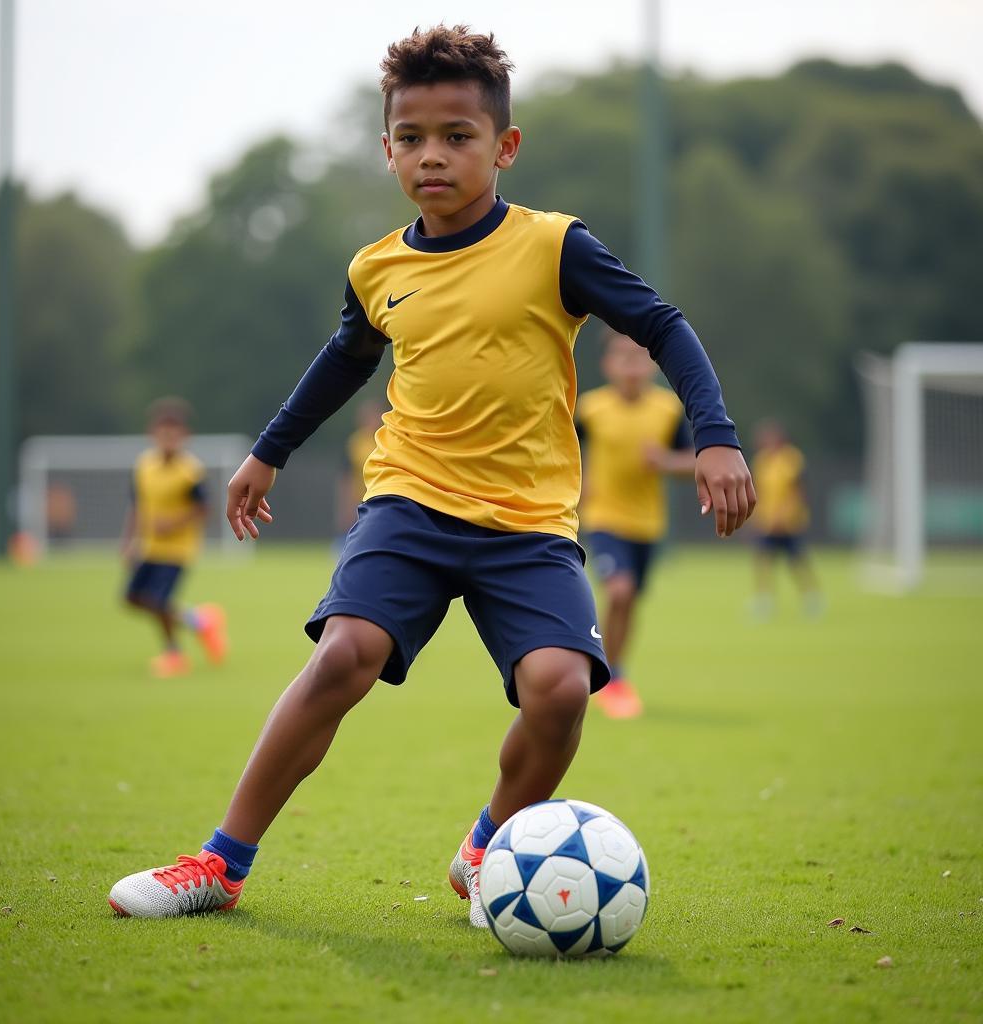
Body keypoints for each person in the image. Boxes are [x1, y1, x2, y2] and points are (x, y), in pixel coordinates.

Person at [108, 25, 755, 922]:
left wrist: (715, 435)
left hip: (529, 523)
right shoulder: (377, 267)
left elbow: (665, 326)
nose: (433, 156)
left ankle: (489, 844)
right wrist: (268, 452)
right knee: (345, 656)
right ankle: (220, 865)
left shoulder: (554, 245)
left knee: (562, 691)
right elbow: (344, 361)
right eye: (411, 139)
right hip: (409, 502)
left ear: (505, 147)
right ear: (387, 150)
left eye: (458, 136)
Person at [578, 332, 695, 719]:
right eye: (621, 357)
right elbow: (559, 447)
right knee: (621, 591)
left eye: (638, 357)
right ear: (607, 365)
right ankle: (608, 677)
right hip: (604, 517)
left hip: (647, 523)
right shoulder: (590, 409)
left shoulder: (667, 410)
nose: (630, 366)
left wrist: (665, 461)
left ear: (652, 366)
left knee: (629, 602)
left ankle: (617, 673)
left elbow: (695, 461)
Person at [121, 397, 228, 677]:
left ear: (184, 436)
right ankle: (200, 621)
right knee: (132, 598)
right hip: (149, 547)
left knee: (158, 601)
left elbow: (204, 509)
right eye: (162, 432)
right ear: (152, 434)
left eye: (173, 432)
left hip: (178, 549)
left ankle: (174, 655)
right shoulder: (144, 465)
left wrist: (173, 523)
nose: (168, 438)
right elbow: (137, 505)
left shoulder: (190, 472)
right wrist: (129, 541)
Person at [750, 419, 821, 617]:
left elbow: (798, 491)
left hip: (789, 523)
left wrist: (785, 515)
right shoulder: (761, 461)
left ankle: (811, 599)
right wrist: (756, 517)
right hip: (767, 522)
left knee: (797, 561)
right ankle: (764, 601)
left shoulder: (792, 459)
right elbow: (759, 491)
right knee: (762, 561)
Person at [336, 400, 385, 537]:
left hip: (381, 496)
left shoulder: (385, 440)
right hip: (359, 500)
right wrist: (345, 506)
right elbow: (346, 476)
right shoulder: (355, 443)